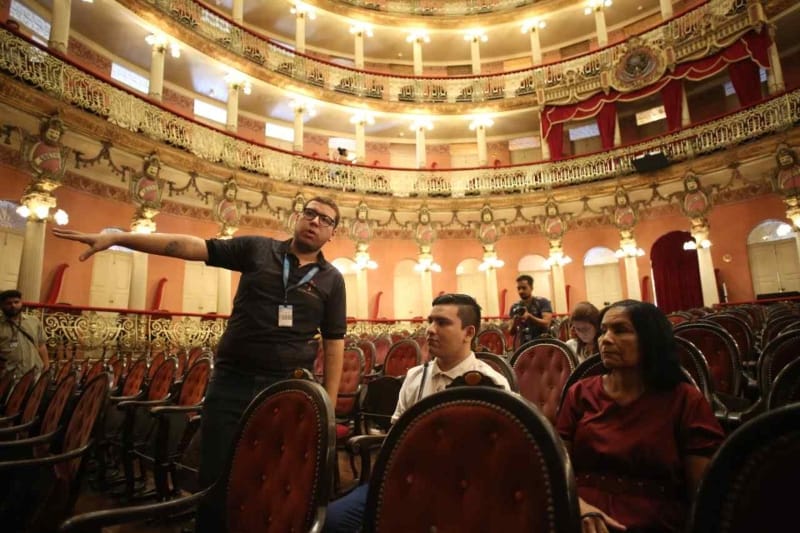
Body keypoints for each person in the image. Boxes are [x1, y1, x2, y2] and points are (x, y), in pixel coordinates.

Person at [53, 196, 346, 533]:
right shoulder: (258, 250)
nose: (315, 222)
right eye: (310, 213)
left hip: (285, 387)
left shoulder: (331, 280)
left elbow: (334, 344)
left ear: (331, 234)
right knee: (215, 476)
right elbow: (187, 246)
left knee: (268, 474)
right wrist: (118, 238)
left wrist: (329, 407)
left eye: (325, 220)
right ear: (298, 217)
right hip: (232, 383)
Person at [323, 293, 511, 533]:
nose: (430, 330)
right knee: (334, 521)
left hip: (462, 489)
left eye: (442, 323)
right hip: (406, 479)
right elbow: (396, 435)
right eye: (430, 321)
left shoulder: (492, 384)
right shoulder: (415, 377)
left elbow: (496, 457)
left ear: (469, 332)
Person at [557, 300, 725, 533]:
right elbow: (558, 469)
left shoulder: (684, 400)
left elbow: (704, 493)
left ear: (650, 339)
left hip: (655, 521)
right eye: (603, 330)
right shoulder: (581, 393)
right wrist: (580, 507)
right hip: (582, 516)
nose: (605, 339)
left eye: (620, 330)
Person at [0, 289, 49, 379]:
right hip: (9, 376)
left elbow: (41, 345)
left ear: (21, 303)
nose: (13, 305)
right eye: (9, 303)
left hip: (35, 372)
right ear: (2, 305)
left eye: (16, 302)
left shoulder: (34, 321)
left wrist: (46, 365)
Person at [509, 274, 553, 347]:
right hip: (523, 345)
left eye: (524, 288)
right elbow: (511, 332)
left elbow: (546, 323)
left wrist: (529, 317)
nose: (521, 291)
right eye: (519, 288)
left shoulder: (542, 302)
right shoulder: (515, 307)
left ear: (531, 288)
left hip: (542, 343)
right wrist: (516, 321)